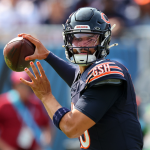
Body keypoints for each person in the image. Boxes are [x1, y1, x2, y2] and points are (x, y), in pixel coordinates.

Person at [18, 7, 143, 150]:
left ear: (104, 40)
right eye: (77, 38)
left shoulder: (107, 71)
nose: (82, 45)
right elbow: (78, 78)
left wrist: (46, 96)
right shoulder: (86, 76)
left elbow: (71, 127)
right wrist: (47, 55)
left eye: (90, 39)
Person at [0, 71, 53, 150]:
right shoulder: (3, 103)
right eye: (20, 85)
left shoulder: (36, 104)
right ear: (14, 86)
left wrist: (45, 141)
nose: (24, 89)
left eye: (26, 85)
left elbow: (48, 125)